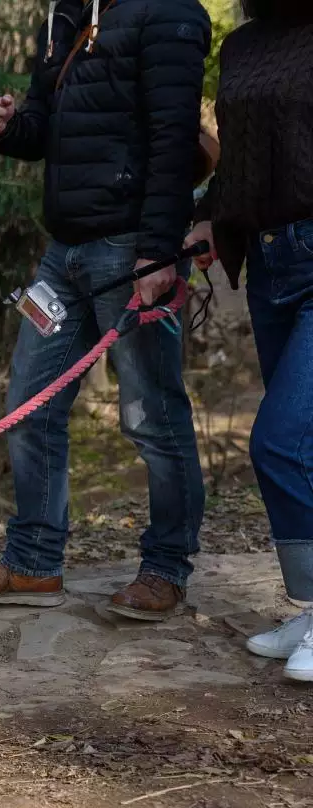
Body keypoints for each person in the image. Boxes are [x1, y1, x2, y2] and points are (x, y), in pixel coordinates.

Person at [0, 0, 210, 620]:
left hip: (131, 251)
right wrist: (4, 127)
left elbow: (174, 139)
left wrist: (157, 253)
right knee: (30, 408)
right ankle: (34, 564)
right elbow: (43, 125)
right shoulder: (66, 13)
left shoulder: (169, 12)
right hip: (62, 253)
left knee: (152, 417)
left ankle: (166, 570)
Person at [185, 0, 313, 681]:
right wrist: (209, 220)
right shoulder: (243, 46)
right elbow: (237, 161)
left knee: (281, 441)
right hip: (270, 264)